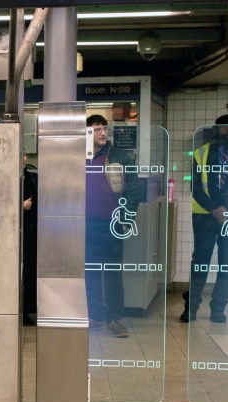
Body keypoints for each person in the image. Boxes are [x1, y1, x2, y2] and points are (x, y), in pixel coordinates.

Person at [181, 114, 228, 323]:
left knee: (227, 264)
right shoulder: (201, 153)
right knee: (200, 262)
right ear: (217, 130)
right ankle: (191, 308)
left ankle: (218, 309)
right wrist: (215, 209)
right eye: (224, 127)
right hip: (205, 215)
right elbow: (195, 187)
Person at [85, 114, 140, 338]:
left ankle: (114, 318)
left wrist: (127, 218)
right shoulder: (80, 156)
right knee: (91, 272)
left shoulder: (118, 155)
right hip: (86, 224)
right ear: (87, 132)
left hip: (111, 224)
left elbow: (134, 188)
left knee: (112, 273)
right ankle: (95, 316)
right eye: (97, 129)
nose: (102, 133)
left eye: (104, 129)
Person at [22, 158, 38, 325]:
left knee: (29, 271)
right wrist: (21, 206)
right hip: (14, 232)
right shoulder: (8, 178)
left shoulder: (32, 178)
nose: (24, 158)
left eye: (25, 154)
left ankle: (28, 307)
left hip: (31, 232)